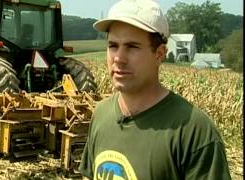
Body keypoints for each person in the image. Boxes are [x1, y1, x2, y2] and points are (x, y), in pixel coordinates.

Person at [78, 0, 232, 179]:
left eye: (132, 47)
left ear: (159, 54)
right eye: (113, 46)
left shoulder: (194, 131)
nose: (118, 58)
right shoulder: (101, 114)